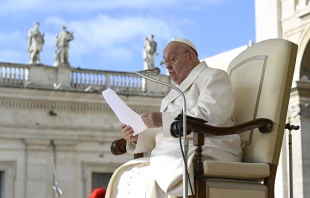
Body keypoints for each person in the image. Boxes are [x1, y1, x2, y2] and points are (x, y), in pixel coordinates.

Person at [105, 38, 243, 198]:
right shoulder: (173, 92)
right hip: (176, 150)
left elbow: (211, 116)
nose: (168, 66)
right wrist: (138, 136)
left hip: (210, 147)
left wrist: (163, 120)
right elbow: (163, 132)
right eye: (165, 62)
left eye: (172, 59)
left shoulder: (214, 76)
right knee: (128, 175)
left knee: (154, 173)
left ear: (190, 57)